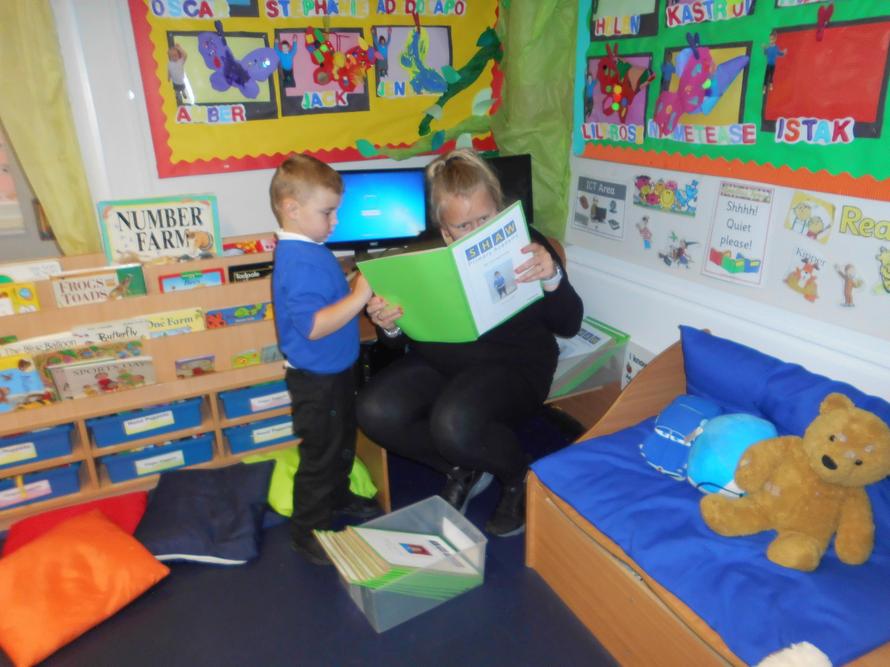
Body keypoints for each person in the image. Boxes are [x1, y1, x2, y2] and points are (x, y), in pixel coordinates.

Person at [358, 149, 583, 537]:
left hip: (517, 364)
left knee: (452, 423)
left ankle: (517, 476)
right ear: (444, 229)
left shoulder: (527, 243)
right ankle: (463, 468)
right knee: (373, 410)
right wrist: (389, 324)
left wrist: (552, 278)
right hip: (444, 361)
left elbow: (569, 323)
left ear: (500, 206)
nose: (477, 231)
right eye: (463, 226)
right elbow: (396, 344)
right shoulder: (421, 254)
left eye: (486, 218)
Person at [270, 154, 379, 565]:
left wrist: (351, 283)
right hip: (316, 381)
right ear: (292, 209)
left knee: (342, 442)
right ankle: (308, 529)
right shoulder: (298, 260)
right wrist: (360, 295)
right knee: (321, 454)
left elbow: (325, 299)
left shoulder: (310, 248)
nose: (335, 222)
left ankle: (338, 496)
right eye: (327, 212)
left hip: (334, 370)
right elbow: (314, 326)